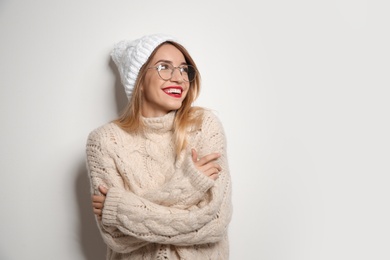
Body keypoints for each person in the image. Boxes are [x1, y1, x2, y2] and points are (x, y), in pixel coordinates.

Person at [86, 33, 232, 260]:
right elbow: (117, 237)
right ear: (139, 80)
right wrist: (191, 186)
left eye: (184, 69)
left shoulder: (204, 126)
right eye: (164, 67)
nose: (179, 78)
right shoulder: (104, 141)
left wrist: (120, 208)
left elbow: (215, 222)